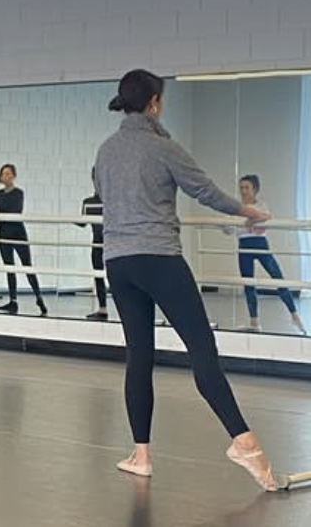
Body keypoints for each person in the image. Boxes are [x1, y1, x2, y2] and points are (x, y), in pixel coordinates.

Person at [96, 69, 277, 491]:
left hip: (119, 264)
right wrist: (249, 211)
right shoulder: (164, 148)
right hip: (158, 258)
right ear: (155, 103)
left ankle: (141, 456)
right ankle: (244, 442)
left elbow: (102, 191)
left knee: (139, 356)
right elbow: (205, 190)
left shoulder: (105, 150)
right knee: (201, 348)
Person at [224, 175, 303, 334]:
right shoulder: (236, 207)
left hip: (260, 243)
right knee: (249, 284)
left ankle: (294, 315)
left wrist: (252, 220)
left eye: (247, 188)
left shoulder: (261, 205)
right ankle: (254, 322)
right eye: (241, 188)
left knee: (277, 277)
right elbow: (227, 228)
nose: (243, 191)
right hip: (244, 245)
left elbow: (267, 217)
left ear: (255, 190)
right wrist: (235, 224)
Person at [0, 164, 47, 316]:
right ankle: (13, 301)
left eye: (10, 174)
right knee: (9, 267)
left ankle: (39, 297)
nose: (7, 176)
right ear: (0, 177)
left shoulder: (19, 193)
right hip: (3, 233)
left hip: (18, 233)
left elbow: (16, 210)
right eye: (4, 174)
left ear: (14, 176)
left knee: (27, 266)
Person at [76, 167, 108, 320]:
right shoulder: (88, 202)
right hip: (97, 243)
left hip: (114, 243)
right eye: (96, 178)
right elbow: (83, 223)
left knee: (117, 276)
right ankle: (102, 308)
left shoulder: (113, 200)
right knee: (98, 275)